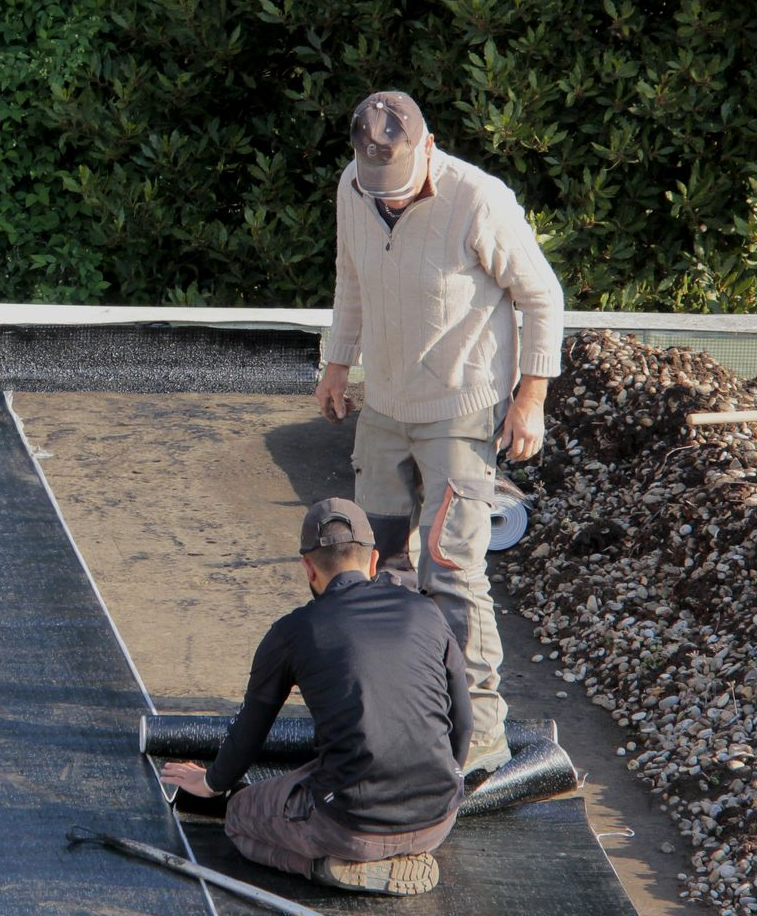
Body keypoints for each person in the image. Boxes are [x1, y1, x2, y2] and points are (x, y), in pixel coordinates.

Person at [310, 90, 563, 777]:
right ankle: (399, 716)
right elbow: (350, 280)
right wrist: (337, 365)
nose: (386, 201)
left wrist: (530, 399)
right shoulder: (354, 186)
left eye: (397, 188)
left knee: (450, 571)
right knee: (374, 568)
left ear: (427, 147)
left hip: (460, 409)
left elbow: (541, 297)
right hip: (385, 409)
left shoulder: (478, 200)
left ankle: (480, 737)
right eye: (376, 190)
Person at [160, 498, 469, 896]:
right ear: (373, 561)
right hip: (438, 819)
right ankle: (393, 851)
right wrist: (449, 783)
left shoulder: (294, 631)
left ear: (308, 568)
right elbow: (463, 722)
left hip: (351, 826)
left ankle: (325, 867)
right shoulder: (426, 612)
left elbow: (251, 727)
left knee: (239, 815)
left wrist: (213, 782)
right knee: (320, 769)